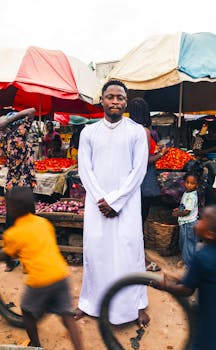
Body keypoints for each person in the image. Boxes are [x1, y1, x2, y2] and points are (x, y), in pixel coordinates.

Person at [74, 80, 150, 327]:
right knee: (96, 253)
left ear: (126, 102)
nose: (115, 101)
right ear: (102, 100)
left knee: (130, 253)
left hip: (126, 206)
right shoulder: (89, 132)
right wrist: (101, 200)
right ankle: (89, 303)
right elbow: (85, 170)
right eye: (110, 96)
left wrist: (116, 201)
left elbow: (138, 172)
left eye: (120, 97)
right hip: (98, 207)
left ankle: (137, 306)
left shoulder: (137, 132)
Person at [0, 186, 83, 349]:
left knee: (26, 311)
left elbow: (8, 254)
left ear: (14, 209)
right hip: (61, 275)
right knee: (67, 317)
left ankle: (35, 344)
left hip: (40, 281)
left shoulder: (14, 233)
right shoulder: (44, 223)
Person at [151, 205, 216, 350]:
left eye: (202, 220)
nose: (197, 222)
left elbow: (186, 290)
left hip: (211, 321)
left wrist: (165, 286)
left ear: (210, 234)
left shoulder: (202, 257)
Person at [129, 97, 169, 271]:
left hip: (131, 181)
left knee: (132, 220)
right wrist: (162, 153)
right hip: (143, 180)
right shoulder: (143, 131)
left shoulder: (127, 129)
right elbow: (145, 161)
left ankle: (133, 258)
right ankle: (140, 261)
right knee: (138, 221)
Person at [0, 108, 37, 271]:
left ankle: (9, 262)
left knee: (11, 224)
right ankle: (28, 263)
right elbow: (32, 111)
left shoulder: (4, 137)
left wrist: (5, 123)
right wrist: (10, 119)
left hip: (11, 186)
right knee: (29, 224)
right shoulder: (19, 134)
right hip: (24, 186)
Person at [172, 171, 201, 268]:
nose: (189, 185)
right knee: (184, 243)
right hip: (185, 222)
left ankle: (189, 264)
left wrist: (177, 214)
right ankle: (185, 260)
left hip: (189, 223)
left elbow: (187, 212)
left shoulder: (192, 196)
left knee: (188, 243)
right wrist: (179, 209)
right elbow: (184, 207)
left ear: (197, 185)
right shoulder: (187, 193)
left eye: (192, 183)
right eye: (187, 182)